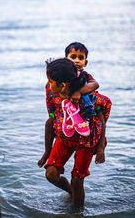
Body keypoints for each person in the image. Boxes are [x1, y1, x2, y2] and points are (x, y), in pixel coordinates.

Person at [41, 58, 111, 208]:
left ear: (63, 85)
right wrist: (48, 152)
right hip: (64, 136)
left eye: (51, 81)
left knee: (77, 180)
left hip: (87, 140)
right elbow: (51, 118)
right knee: (51, 174)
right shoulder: (50, 91)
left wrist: (100, 149)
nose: (48, 83)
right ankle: (70, 192)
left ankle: (77, 213)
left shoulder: (88, 97)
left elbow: (100, 120)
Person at [38, 42, 99, 168]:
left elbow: (95, 84)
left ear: (85, 62)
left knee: (89, 102)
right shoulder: (55, 81)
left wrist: (78, 91)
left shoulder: (84, 75)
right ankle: (47, 152)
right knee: (49, 122)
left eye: (80, 58)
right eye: (73, 57)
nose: (77, 61)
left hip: (84, 114)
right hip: (63, 115)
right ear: (66, 59)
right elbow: (50, 106)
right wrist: (54, 115)